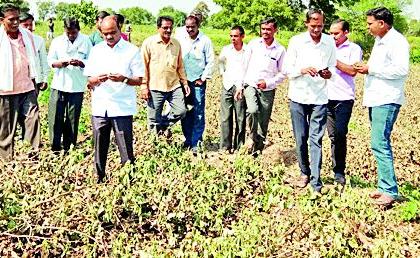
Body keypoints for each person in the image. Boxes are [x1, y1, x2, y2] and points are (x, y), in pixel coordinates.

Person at [353, 7, 409, 206]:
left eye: (370, 23)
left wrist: (371, 69)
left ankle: (389, 191)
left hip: (387, 99)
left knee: (380, 143)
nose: (368, 27)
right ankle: (385, 186)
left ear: (382, 23)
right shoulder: (380, 41)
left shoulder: (397, 42)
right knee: (379, 143)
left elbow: (401, 70)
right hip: (377, 98)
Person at [84, 16, 144, 182]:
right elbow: (89, 79)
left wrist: (123, 79)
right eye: (105, 34)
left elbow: (139, 80)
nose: (109, 37)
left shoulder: (131, 50)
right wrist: (97, 79)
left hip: (122, 107)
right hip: (100, 106)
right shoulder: (97, 50)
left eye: (113, 32)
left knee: (125, 147)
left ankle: (128, 181)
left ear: (120, 28)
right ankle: (99, 178)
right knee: (99, 146)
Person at [283, 9, 336, 193]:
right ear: (306, 24)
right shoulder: (296, 41)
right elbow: (287, 69)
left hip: (319, 98)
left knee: (316, 140)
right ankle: (304, 172)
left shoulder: (329, 42)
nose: (316, 30)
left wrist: (328, 73)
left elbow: (332, 67)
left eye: (320, 26)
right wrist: (303, 69)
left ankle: (316, 181)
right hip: (298, 96)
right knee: (301, 139)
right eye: (313, 26)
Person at [0, 4, 40, 160]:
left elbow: (33, 59)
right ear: (2, 20)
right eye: (11, 20)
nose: (16, 23)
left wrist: (37, 80)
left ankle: (30, 160)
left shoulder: (26, 35)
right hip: (6, 90)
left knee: (32, 122)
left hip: (28, 87)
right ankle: (7, 162)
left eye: (17, 19)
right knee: (6, 130)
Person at [242, 17, 286, 156]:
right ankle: (251, 137)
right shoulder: (253, 44)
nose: (265, 32)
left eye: (269, 29)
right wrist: (240, 84)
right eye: (263, 29)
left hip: (267, 89)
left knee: (264, 120)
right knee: (253, 110)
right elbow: (244, 64)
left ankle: (258, 149)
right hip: (251, 84)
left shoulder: (280, 50)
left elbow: (283, 72)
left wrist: (268, 83)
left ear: (275, 30)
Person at [326, 19, 363, 185]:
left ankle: (340, 171)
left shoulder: (354, 49)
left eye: (336, 33)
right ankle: (334, 171)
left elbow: (352, 71)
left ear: (346, 32)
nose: (332, 36)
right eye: (330, 33)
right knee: (331, 135)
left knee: (340, 134)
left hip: (344, 98)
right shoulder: (325, 46)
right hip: (325, 97)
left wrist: (333, 59)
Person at [47, 18, 92, 152]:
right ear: (64, 30)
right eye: (69, 33)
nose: (71, 35)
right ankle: (54, 147)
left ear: (78, 30)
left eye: (74, 33)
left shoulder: (86, 41)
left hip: (77, 85)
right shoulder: (57, 41)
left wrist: (80, 63)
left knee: (73, 118)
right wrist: (60, 63)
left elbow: (91, 61)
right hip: (59, 84)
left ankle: (69, 147)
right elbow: (51, 60)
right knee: (55, 117)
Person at [141, 16, 189, 136]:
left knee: (181, 111)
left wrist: (185, 83)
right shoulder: (149, 43)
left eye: (170, 28)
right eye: (165, 28)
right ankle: (154, 145)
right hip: (155, 86)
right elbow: (143, 66)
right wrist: (143, 86)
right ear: (158, 28)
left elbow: (180, 66)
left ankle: (162, 124)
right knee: (153, 119)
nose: (168, 30)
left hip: (173, 85)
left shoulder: (176, 44)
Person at [176, 15, 215, 155]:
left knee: (198, 112)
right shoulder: (181, 40)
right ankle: (188, 140)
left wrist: (203, 78)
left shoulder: (205, 41)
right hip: (184, 82)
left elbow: (211, 61)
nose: (190, 29)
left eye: (192, 26)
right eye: (187, 26)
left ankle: (196, 142)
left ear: (198, 26)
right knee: (186, 112)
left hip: (198, 82)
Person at [218, 25, 249, 153]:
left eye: (235, 36)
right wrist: (222, 73)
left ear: (242, 36)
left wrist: (241, 86)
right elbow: (220, 62)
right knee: (225, 117)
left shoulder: (248, 51)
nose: (233, 38)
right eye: (231, 36)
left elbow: (248, 69)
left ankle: (239, 146)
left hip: (240, 87)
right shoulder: (226, 49)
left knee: (240, 118)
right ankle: (225, 146)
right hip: (227, 85)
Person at [19, 12, 50, 95]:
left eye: (30, 25)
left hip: (34, 81)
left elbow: (43, 61)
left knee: (32, 107)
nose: (29, 27)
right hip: (18, 81)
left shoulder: (38, 40)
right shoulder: (12, 40)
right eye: (25, 25)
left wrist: (45, 79)